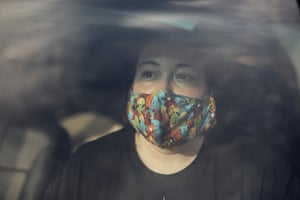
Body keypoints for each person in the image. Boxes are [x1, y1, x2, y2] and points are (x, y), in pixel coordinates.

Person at [43, 27, 300, 199]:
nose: (162, 91)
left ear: (210, 97)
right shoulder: (89, 164)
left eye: (183, 76)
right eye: (149, 74)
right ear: (131, 87)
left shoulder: (260, 170)